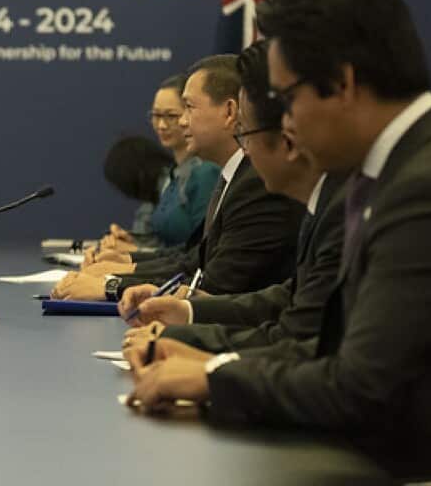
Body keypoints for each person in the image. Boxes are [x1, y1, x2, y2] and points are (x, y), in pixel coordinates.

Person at [125, 0, 431, 479]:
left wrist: (214, 377)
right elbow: (330, 343)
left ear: (342, 83)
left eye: (288, 98)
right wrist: (213, 362)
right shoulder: (401, 168)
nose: (284, 122)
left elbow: (360, 387)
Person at [119, 40, 347, 354]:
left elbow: (295, 334)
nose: (246, 152)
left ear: (290, 136)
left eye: (246, 135)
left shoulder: (334, 207)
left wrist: (202, 363)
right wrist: (187, 311)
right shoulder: (325, 203)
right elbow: (289, 299)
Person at [54, 55, 304, 300]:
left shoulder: (255, 184)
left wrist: (112, 285)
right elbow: (193, 259)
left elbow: (213, 285)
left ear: (229, 112)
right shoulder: (232, 177)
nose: (182, 122)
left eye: (189, 108)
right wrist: (126, 265)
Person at [101, 75, 221, 253]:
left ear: (188, 115)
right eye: (156, 115)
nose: (162, 125)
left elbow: (202, 250)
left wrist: (135, 252)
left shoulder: (205, 173)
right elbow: (165, 242)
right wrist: (133, 241)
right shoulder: (173, 175)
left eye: (171, 116)